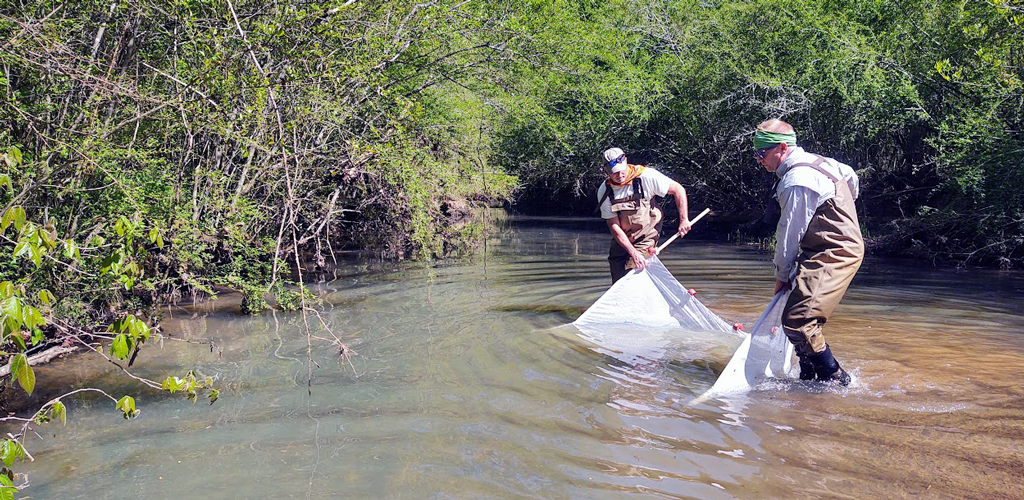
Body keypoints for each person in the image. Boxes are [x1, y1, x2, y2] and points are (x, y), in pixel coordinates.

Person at [752, 119, 864, 386]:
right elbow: (851, 178)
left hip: (835, 251)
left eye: (761, 153)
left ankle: (838, 380)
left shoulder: (796, 180)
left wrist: (782, 274)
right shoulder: (822, 162)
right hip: (819, 249)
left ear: (781, 148)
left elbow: (789, 235)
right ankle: (808, 380)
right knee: (797, 315)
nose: (758, 160)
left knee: (798, 321)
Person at [596, 147, 692, 283]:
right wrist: (632, 251)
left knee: (633, 271)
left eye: (621, 170)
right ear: (606, 171)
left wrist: (684, 220)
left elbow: (678, 189)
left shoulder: (646, 176)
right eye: (614, 173)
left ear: (626, 161)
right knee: (617, 277)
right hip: (624, 236)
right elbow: (614, 226)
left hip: (647, 234)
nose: (619, 175)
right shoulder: (604, 191)